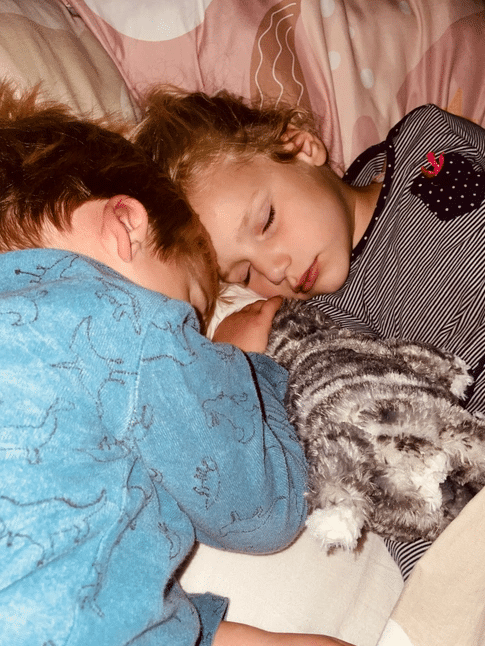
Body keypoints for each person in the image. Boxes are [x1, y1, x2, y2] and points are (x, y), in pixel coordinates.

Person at [0, 82, 353, 646]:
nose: (192, 338)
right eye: (191, 309)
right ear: (126, 226)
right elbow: (262, 509)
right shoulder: (122, 318)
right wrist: (239, 366)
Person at [135, 85, 485, 580]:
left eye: (267, 222)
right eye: (245, 275)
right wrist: (236, 365)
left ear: (302, 146)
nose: (275, 269)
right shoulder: (326, 323)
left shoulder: (422, 141)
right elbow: (364, 446)